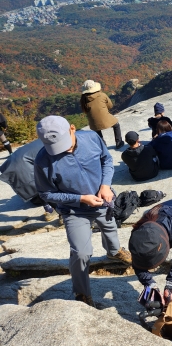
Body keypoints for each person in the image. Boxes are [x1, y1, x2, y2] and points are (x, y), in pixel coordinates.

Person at [34, 115, 132, 307]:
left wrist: (105, 185)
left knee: (111, 231)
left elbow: (107, 160)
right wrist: (80, 199)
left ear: (72, 128)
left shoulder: (92, 138)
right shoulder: (42, 160)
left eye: (66, 144)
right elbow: (45, 193)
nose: (64, 150)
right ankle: (81, 293)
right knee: (80, 253)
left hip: (103, 201)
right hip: (74, 211)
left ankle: (114, 252)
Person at [0, 139, 57, 221]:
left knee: (37, 187)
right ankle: (53, 210)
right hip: (24, 165)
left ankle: (48, 208)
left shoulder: (45, 140)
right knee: (42, 184)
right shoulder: (55, 144)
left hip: (13, 162)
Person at [80, 80, 123, 149]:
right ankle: (119, 142)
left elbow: (85, 110)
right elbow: (110, 106)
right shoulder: (102, 95)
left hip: (93, 122)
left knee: (97, 130)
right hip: (105, 117)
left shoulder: (83, 99)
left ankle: (103, 145)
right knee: (116, 125)